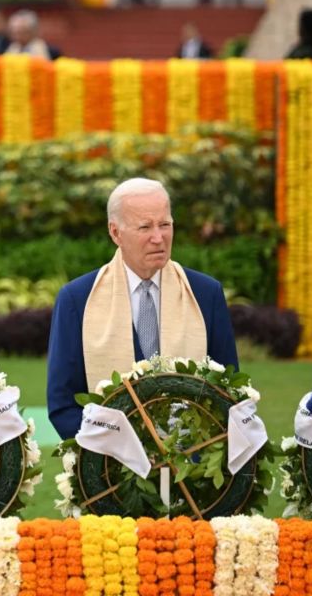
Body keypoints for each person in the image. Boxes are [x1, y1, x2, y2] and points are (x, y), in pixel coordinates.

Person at [46, 178, 238, 439]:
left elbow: (230, 393)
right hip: (109, 468)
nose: (158, 238)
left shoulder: (205, 294)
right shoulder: (77, 299)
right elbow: (63, 405)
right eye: (145, 227)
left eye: (165, 225)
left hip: (192, 466)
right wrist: (115, 451)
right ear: (115, 233)